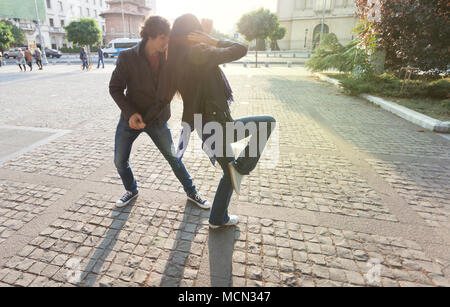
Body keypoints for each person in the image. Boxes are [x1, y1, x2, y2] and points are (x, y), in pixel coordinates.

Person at [160, 14, 276, 229]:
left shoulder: (176, 58)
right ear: (193, 34)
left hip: (203, 125)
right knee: (267, 123)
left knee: (228, 172)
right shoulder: (199, 52)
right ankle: (242, 168)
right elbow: (240, 48)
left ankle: (217, 218)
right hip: (218, 125)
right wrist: (212, 40)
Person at [109, 15, 211, 209]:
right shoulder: (128, 57)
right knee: (119, 161)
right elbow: (115, 88)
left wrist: (205, 37)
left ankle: (192, 192)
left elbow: (174, 87)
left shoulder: (170, 59)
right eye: (163, 38)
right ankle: (131, 190)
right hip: (131, 119)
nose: (167, 42)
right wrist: (131, 113)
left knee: (174, 158)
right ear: (150, 36)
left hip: (157, 119)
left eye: (168, 37)